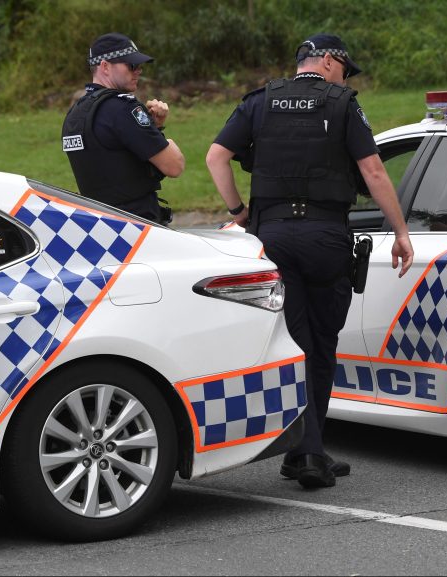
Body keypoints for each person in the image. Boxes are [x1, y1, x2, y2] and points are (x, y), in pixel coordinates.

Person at [205, 34, 414, 489]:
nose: (346, 77)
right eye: (345, 68)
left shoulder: (260, 102)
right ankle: (311, 454)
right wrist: (400, 232)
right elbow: (373, 171)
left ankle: (303, 450)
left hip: (273, 236)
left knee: (293, 341)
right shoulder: (342, 103)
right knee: (321, 343)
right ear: (328, 61)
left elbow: (216, 157)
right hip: (324, 236)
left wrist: (238, 213)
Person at [62, 32, 184, 224]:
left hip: (98, 228)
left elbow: (112, 163)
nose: (139, 71)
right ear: (105, 66)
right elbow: (174, 166)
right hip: (137, 229)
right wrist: (166, 141)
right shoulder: (123, 109)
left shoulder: (75, 113)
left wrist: (154, 126)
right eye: (131, 65)